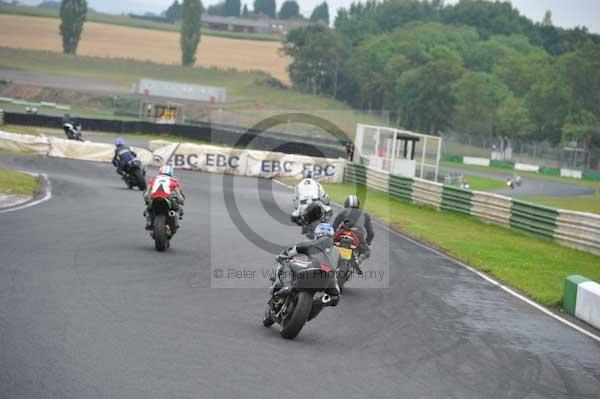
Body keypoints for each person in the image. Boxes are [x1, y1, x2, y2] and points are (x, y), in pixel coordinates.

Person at [271, 223, 340, 304]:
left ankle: (287, 286)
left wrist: (283, 256)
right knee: (335, 296)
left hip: (314, 269)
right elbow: (338, 268)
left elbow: (294, 250)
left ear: (316, 234)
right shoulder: (337, 250)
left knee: (288, 263)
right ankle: (319, 303)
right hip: (329, 277)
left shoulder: (312, 243)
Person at [332, 195, 374, 273]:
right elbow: (371, 233)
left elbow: (334, 226)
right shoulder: (365, 215)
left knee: (329, 243)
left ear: (346, 204)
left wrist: (331, 237)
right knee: (367, 251)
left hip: (343, 232)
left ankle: (327, 257)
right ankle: (358, 260)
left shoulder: (344, 211)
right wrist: (367, 242)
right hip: (358, 235)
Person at [143, 165, 185, 230]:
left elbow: (146, 194)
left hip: (154, 199)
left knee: (147, 210)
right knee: (179, 209)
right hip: (167, 198)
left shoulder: (153, 179)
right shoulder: (174, 181)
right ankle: (175, 222)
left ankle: (149, 222)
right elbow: (179, 196)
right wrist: (181, 201)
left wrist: (147, 201)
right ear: (171, 172)